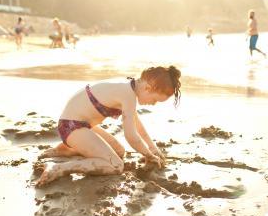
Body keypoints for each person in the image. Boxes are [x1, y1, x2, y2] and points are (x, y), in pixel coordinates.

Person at [36, 66, 182, 187]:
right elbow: (131, 136)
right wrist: (148, 155)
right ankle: (60, 168)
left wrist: (152, 147)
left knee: (119, 151)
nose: (153, 104)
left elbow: (138, 126)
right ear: (148, 88)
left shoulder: (129, 87)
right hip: (71, 126)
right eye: (155, 100)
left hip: (83, 126)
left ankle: (68, 149)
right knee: (116, 166)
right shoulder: (127, 95)